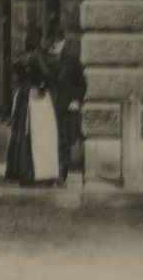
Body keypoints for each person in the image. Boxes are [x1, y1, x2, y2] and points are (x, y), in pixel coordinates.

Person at [5, 30, 60, 185]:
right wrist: (47, 85)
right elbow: (47, 75)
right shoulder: (36, 56)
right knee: (40, 136)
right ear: (39, 42)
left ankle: (20, 172)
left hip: (23, 97)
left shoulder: (21, 57)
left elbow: (16, 72)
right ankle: (37, 174)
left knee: (23, 134)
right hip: (37, 98)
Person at [47, 34, 88, 184]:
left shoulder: (71, 61)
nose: (53, 44)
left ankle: (61, 174)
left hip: (66, 107)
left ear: (63, 43)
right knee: (51, 140)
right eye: (52, 41)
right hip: (50, 106)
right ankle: (51, 173)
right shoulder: (46, 59)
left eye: (57, 42)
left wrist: (76, 100)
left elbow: (81, 84)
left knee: (64, 141)